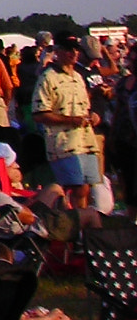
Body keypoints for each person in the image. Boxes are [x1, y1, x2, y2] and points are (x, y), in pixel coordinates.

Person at [34, 40, 103, 208]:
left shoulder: (78, 77)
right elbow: (39, 113)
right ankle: (69, 223)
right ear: (58, 51)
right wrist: (71, 121)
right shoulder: (48, 77)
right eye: (68, 50)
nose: (74, 54)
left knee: (85, 188)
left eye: (76, 50)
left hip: (85, 141)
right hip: (63, 143)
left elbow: (83, 107)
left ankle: (82, 225)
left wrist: (92, 116)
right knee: (74, 187)